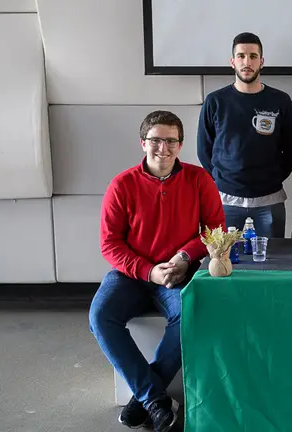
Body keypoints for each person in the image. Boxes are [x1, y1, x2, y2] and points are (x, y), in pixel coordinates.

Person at [90, 111, 225, 432]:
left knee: (191, 315)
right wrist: (148, 271)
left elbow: (215, 228)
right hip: (131, 274)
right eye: (155, 140)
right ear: (143, 142)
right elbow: (110, 244)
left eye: (170, 141)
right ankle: (154, 397)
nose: (162, 148)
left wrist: (183, 257)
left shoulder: (199, 180)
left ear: (180, 145)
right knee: (100, 317)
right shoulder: (121, 185)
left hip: (179, 272)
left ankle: (145, 395)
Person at [197, 31, 292, 238]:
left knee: (271, 260)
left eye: (253, 56)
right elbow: (204, 150)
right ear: (232, 62)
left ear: (261, 62)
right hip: (226, 201)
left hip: (269, 199)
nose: (247, 62)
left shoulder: (280, 101)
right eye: (241, 56)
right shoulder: (215, 101)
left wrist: (270, 178)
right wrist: (224, 180)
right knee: (225, 262)